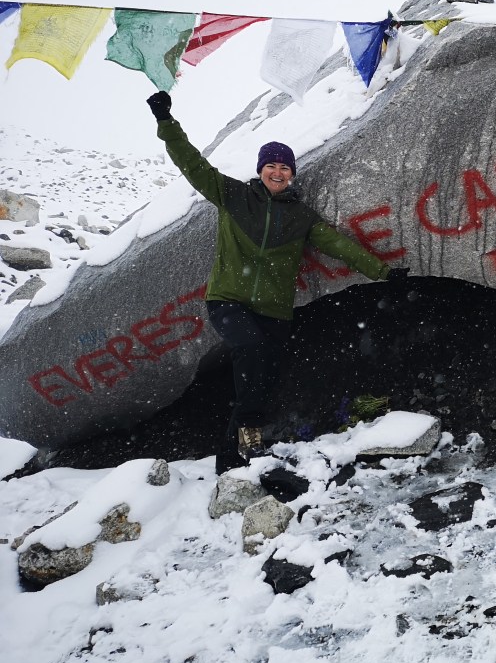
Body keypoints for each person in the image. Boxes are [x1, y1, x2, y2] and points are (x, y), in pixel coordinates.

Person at [146, 91, 406, 474]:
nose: (279, 173)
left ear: (292, 175)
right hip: (228, 300)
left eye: (286, 168)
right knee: (249, 351)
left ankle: (232, 455)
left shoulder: (300, 216)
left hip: (274, 312)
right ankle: (243, 439)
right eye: (272, 165)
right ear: (261, 168)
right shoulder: (232, 195)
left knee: (262, 380)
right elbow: (193, 165)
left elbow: (338, 246)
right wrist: (166, 122)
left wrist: (382, 273)